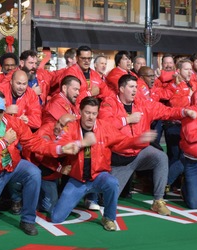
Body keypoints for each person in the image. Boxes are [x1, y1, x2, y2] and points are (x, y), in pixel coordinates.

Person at [0, 94, 76, 235]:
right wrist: (4, 142)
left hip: (12, 166)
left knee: (34, 172)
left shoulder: (13, 122)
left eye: (1, 112)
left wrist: (59, 149)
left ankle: (28, 220)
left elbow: (34, 142)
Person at [53, 97, 156, 231]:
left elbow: (122, 142)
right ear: (80, 111)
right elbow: (59, 145)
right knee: (56, 218)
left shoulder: (105, 127)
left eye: (94, 113)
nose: (91, 117)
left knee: (112, 182)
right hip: (78, 180)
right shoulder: (71, 127)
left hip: (98, 176)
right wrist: (82, 143)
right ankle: (80, 200)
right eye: (87, 113)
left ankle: (108, 217)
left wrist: (138, 139)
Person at [100, 74, 196, 215]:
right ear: (121, 88)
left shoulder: (142, 104)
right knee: (106, 199)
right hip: (120, 158)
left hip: (139, 152)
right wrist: (127, 119)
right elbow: (104, 126)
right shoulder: (108, 103)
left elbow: (166, 111)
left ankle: (158, 201)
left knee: (160, 157)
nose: (134, 90)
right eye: (131, 87)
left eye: (136, 87)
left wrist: (183, 111)